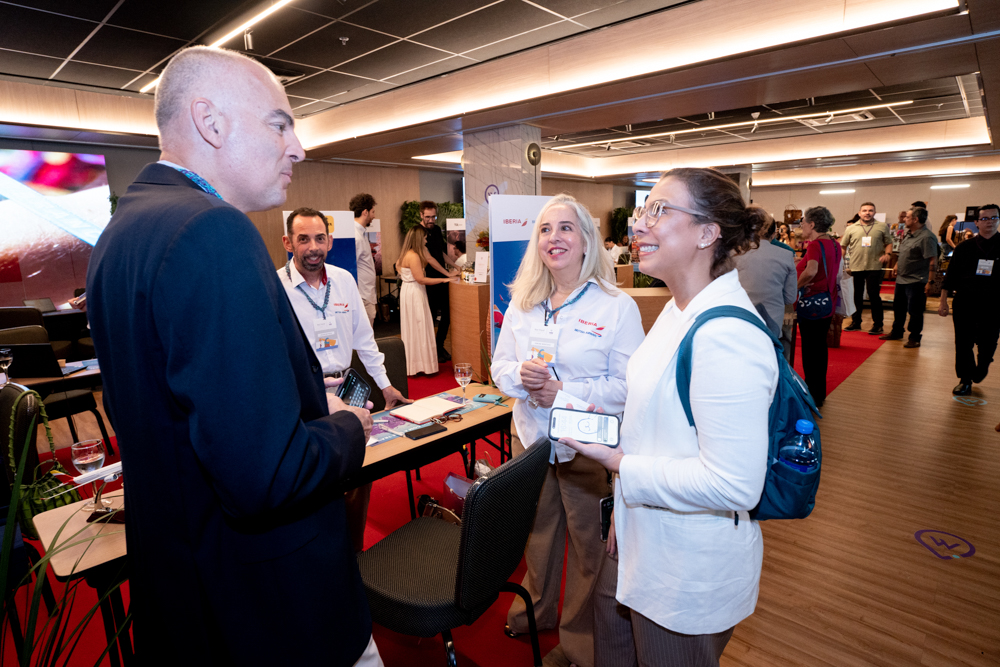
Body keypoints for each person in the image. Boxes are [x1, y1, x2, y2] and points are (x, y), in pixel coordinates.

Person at [85, 46, 380, 665]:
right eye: (280, 124)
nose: (298, 147)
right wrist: (347, 427)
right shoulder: (213, 231)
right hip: (268, 606)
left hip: (189, 592)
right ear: (210, 121)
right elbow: (266, 477)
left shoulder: (123, 229)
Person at [558, 168, 778, 667]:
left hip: (683, 572)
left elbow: (734, 485)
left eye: (658, 210)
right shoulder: (680, 312)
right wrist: (623, 501)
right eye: (643, 210)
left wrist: (619, 465)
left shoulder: (727, 335)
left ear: (707, 233)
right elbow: (661, 424)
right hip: (637, 536)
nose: (639, 224)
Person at [491, 193, 644, 667]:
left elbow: (628, 388)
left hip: (588, 446)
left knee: (587, 549)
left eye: (565, 228)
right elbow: (499, 367)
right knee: (537, 535)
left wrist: (564, 392)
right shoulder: (523, 303)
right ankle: (534, 613)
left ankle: (579, 644)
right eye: (545, 229)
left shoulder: (616, 306)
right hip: (532, 439)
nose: (553, 238)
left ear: (586, 241)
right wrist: (522, 377)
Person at [279, 207, 412, 553]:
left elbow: (365, 341)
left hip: (347, 389)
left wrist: (386, 385)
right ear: (288, 243)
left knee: (356, 476)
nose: (313, 247)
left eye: (319, 238)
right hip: (304, 398)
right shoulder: (275, 288)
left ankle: (354, 555)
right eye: (303, 239)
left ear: (330, 241)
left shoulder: (344, 281)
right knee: (313, 481)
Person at [939, 204, 1000, 396]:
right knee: (963, 342)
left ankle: (982, 366)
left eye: (994, 218)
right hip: (965, 301)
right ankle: (965, 380)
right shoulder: (964, 248)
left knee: (988, 342)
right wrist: (943, 301)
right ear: (977, 223)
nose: (990, 222)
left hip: (994, 303)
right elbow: (950, 276)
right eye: (985, 218)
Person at [796, 206, 842, 407]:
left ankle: (811, 394)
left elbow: (811, 271)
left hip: (813, 302)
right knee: (819, 349)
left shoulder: (815, 245)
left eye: (804, 223)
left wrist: (795, 286)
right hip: (827, 300)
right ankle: (818, 392)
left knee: (810, 350)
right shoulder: (834, 243)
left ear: (812, 224)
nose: (802, 226)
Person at [397, 225, 455, 375]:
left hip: (409, 290)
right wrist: (443, 279)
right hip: (415, 292)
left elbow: (398, 266)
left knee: (414, 326)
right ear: (418, 239)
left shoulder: (407, 253)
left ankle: (415, 364)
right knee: (420, 324)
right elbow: (421, 279)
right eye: (424, 238)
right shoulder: (414, 256)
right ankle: (422, 365)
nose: (426, 240)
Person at [734, 205, 797, 338]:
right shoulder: (786, 255)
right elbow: (790, 298)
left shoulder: (733, 254)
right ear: (773, 234)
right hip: (772, 323)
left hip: (739, 319)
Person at [879, 207, 938, 348]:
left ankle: (915, 337)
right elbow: (903, 252)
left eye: (907, 217)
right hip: (902, 279)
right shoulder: (909, 234)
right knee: (899, 308)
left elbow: (933, 260)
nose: (904, 219)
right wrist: (897, 264)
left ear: (916, 219)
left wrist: (930, 281)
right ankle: (897, 331)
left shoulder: (927, 237)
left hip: (917, 280)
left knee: (915, 311)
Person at [840, 202, 892, 334]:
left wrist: (888, 254)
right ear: (859, 213)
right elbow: (843, 246)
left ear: (874, 213)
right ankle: (856, 322)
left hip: (874, 266)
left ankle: (878, 324)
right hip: (856, 266)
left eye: (870, 210)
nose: (867, 213)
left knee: (873, 295)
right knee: (856, 295)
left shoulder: (881, 227)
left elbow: (889, 243)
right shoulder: (851, 228)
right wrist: (839, 262)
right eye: (864, 210)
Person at [419, 201, 460, 361]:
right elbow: (429, 258)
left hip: (442, 279)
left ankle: (439, 345)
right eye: (428, 217)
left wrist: (455, 266)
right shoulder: (417, 232)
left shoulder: (436, 230)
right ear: (421, 215)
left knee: (447, 314)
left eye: (433, 217)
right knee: (430, 316)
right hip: (429, 280)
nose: (431, 220)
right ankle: (429, 350)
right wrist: (447, 274)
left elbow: (440, 253)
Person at [351, 192, 379, 325]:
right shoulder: (355, 236)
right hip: (362, 295)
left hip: (366, 294)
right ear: (365, 212)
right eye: (373, 212)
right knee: (365, 335)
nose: (374, 216)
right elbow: (351, 267)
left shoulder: (360, 233)